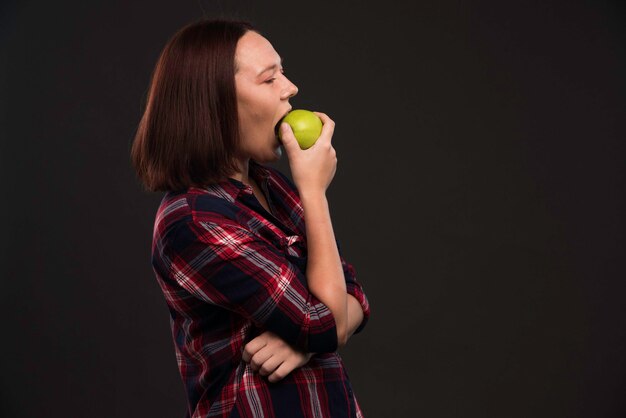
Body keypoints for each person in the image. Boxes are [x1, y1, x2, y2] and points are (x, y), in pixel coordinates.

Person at [130, 18, 371, 418]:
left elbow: (352, 295)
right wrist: (314, 192)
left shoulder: (269, 186)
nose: (291, 88)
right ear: (217, 102)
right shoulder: (192, 221)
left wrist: (307, 338)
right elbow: (329, 319)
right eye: (269, 78)